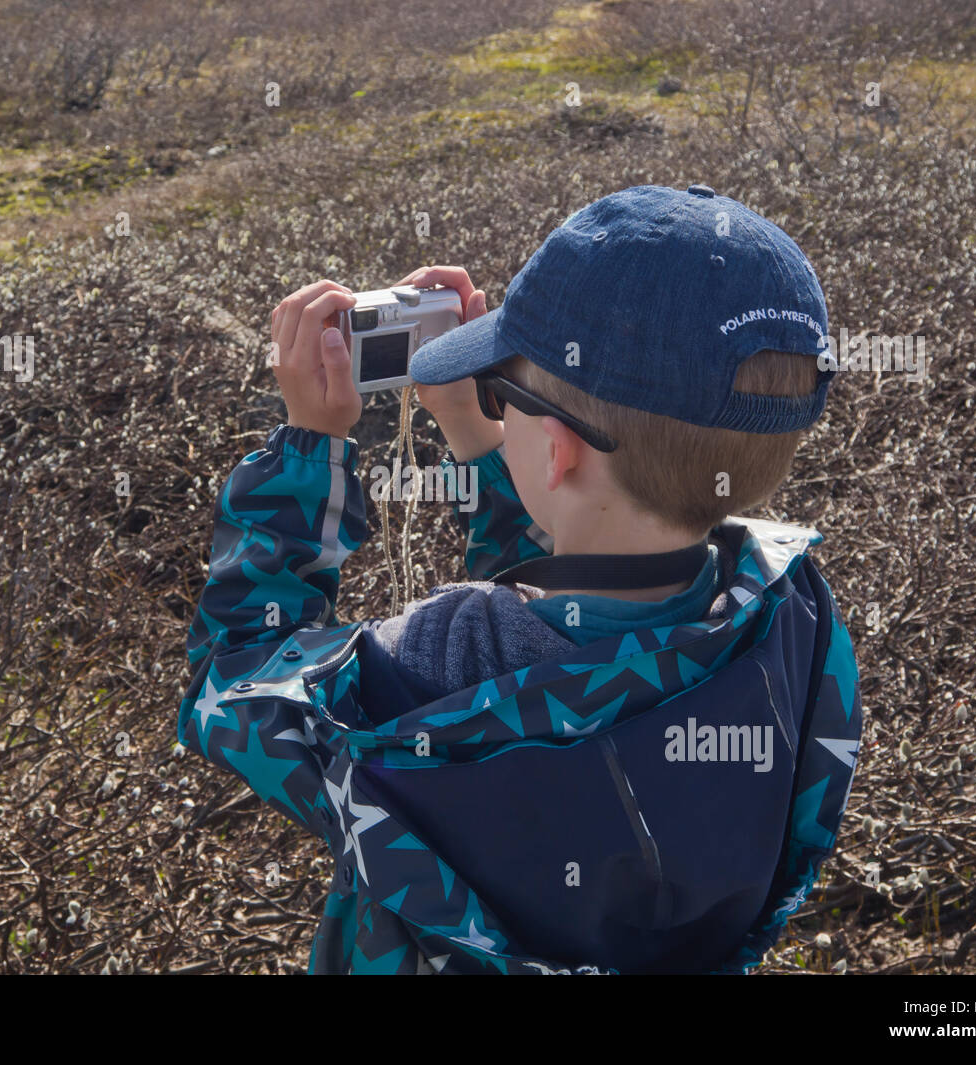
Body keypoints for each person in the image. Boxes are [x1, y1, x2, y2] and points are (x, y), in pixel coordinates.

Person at [177, 184, 863, 974]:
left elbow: (227, 680)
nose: (497, 411)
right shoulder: (795, 618)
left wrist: (309, 449)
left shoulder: (431, 667)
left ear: (560, 451)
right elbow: (571, 625)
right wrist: (479, 430)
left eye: (506, 393)